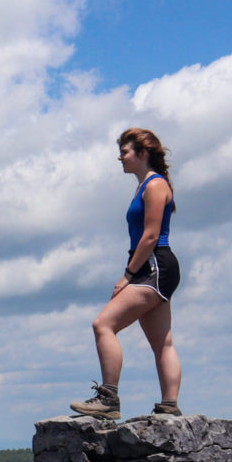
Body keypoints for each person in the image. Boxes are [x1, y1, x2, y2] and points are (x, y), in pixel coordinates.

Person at [70, 128, 182, 420]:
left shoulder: (155, 186)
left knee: (103, 324)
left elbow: (150, 236)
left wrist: (128, 275)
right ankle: (169, 406)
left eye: (125, 151)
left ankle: (108, 399)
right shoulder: (147, 184)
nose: (120, 157)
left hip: (152, 265)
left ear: (142, 154)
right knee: (163, 342)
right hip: (156, 267)